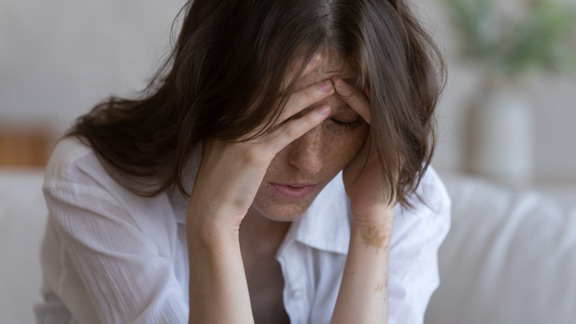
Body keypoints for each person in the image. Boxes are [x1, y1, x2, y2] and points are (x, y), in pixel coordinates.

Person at [35, 0, 450, 323]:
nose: (308, 161)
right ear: (211, 89)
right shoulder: (93, 183)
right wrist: (212, 228)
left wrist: (371, 229)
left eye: (343, 121)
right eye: (280, 121)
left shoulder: (403, 198)